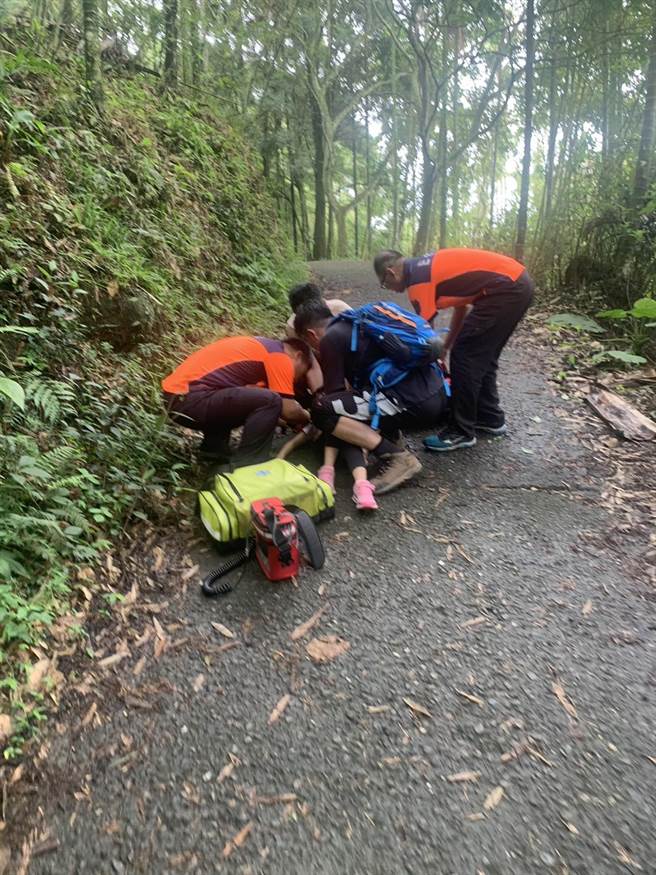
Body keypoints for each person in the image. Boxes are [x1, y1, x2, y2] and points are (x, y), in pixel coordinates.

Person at [373, 248, 534, 451]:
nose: (389, 288)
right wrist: (446, 348)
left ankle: (461, 431)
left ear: (391, 272)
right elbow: (461, 308)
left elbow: (424, 336)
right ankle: (489, 417)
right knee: (482, 354)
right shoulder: (423, 267)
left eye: (384, 284)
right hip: (516, 282)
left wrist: (420, 363)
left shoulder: (418, 281)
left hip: (506, 288)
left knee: (466, 356)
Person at [295, 301, 448, 507]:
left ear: (311, 334)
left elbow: (334, 397)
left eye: (309, 344)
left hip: (412, 402)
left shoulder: (330, 339)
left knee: (323, 410)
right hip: (435, 393)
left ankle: (399, 458)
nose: (313, 350)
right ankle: (391, 435)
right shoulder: (357, 323)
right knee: (355, 401)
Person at [162, 335, 311, 466]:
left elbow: (242, 399)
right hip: (190, 399)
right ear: (298, 356)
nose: (295, 379)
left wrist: (274, 417)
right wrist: (308, 418)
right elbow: (289, 410)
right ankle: (250, 462)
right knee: (271, 399)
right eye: (301, 373)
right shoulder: (279, 356)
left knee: (258, 397)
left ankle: (214, 449)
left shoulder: (262, 348)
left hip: (177, 399)